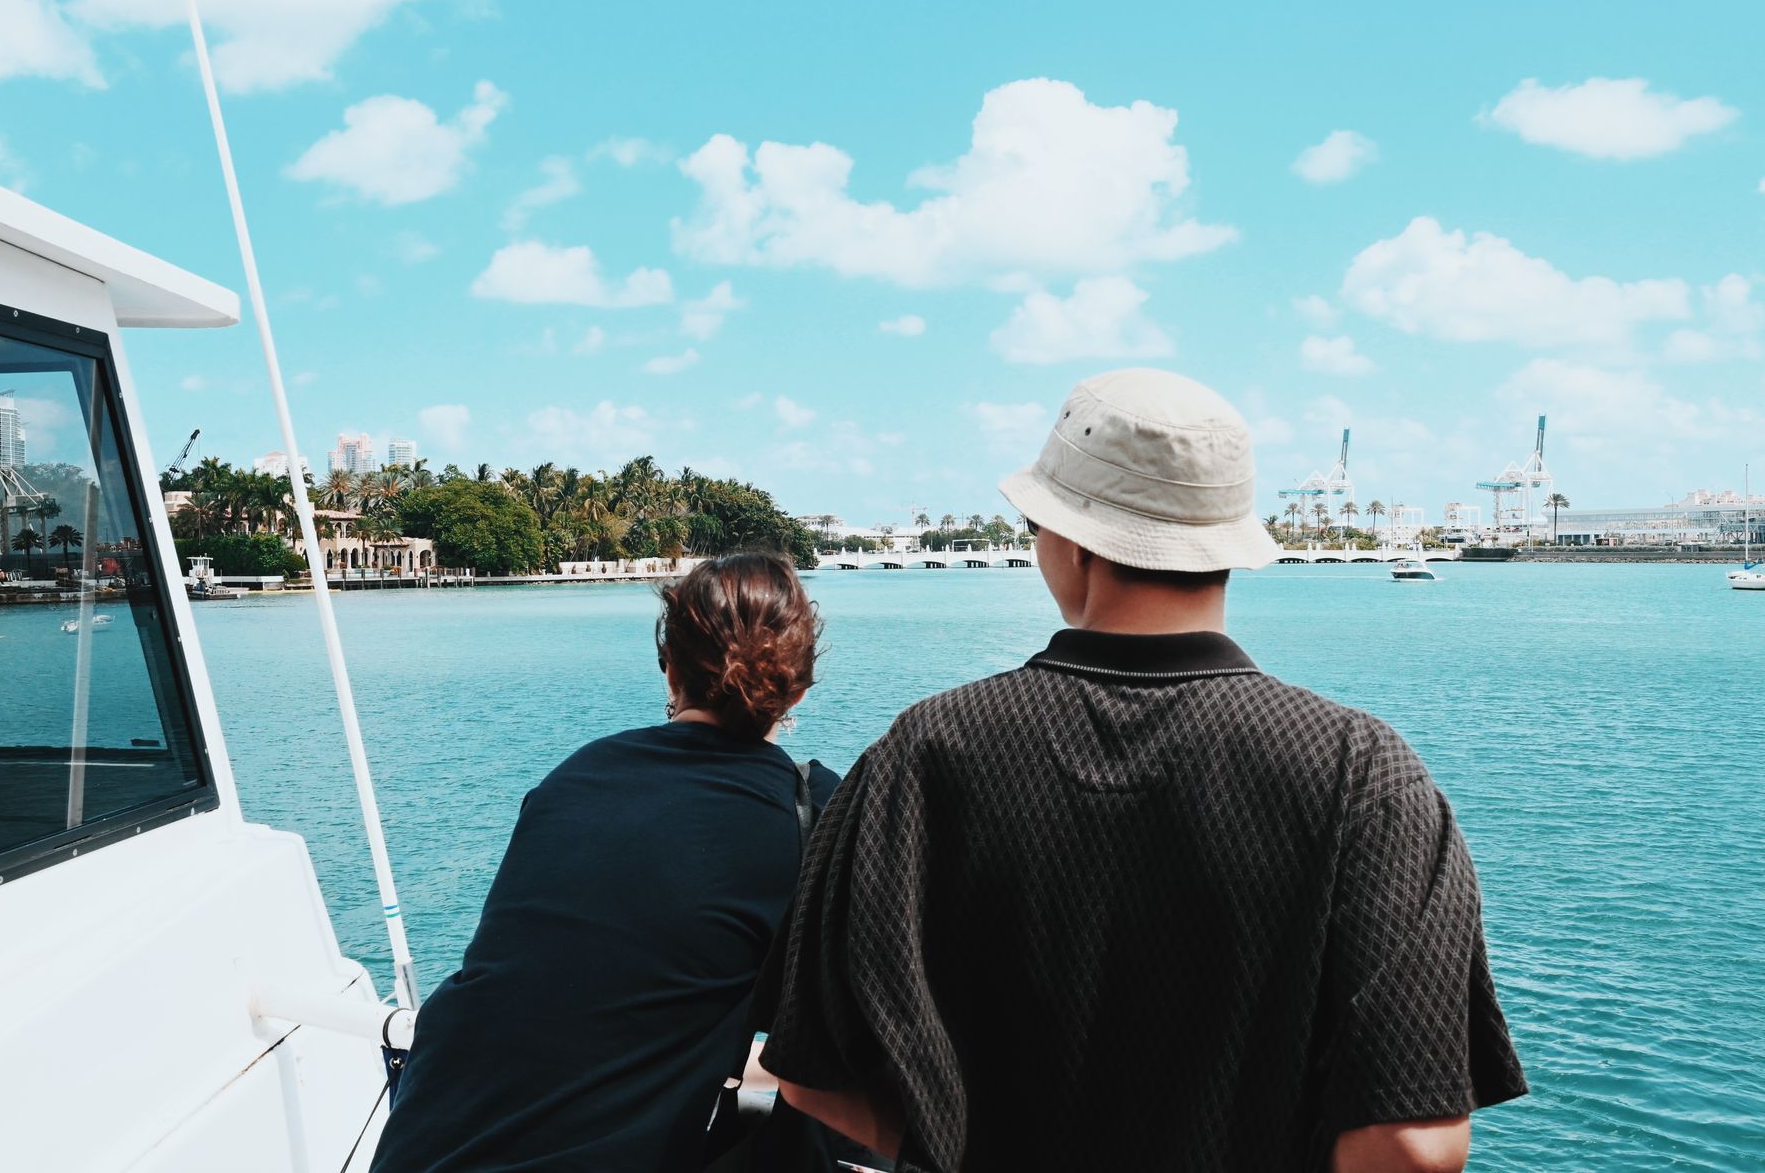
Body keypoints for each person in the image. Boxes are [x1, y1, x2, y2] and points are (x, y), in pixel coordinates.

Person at [761, 368, 1527, 1172]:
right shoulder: (1361, 775)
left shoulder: (920, 754)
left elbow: (811, 1074)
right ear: (1227, 542)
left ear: (1071, 540)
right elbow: (1412, 1146)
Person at [372, 552, 840, 1172]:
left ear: (670, 668)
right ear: (800, 686)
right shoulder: (809, 809)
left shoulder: (577, 774)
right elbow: (836, 1028)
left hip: (421, 1141)